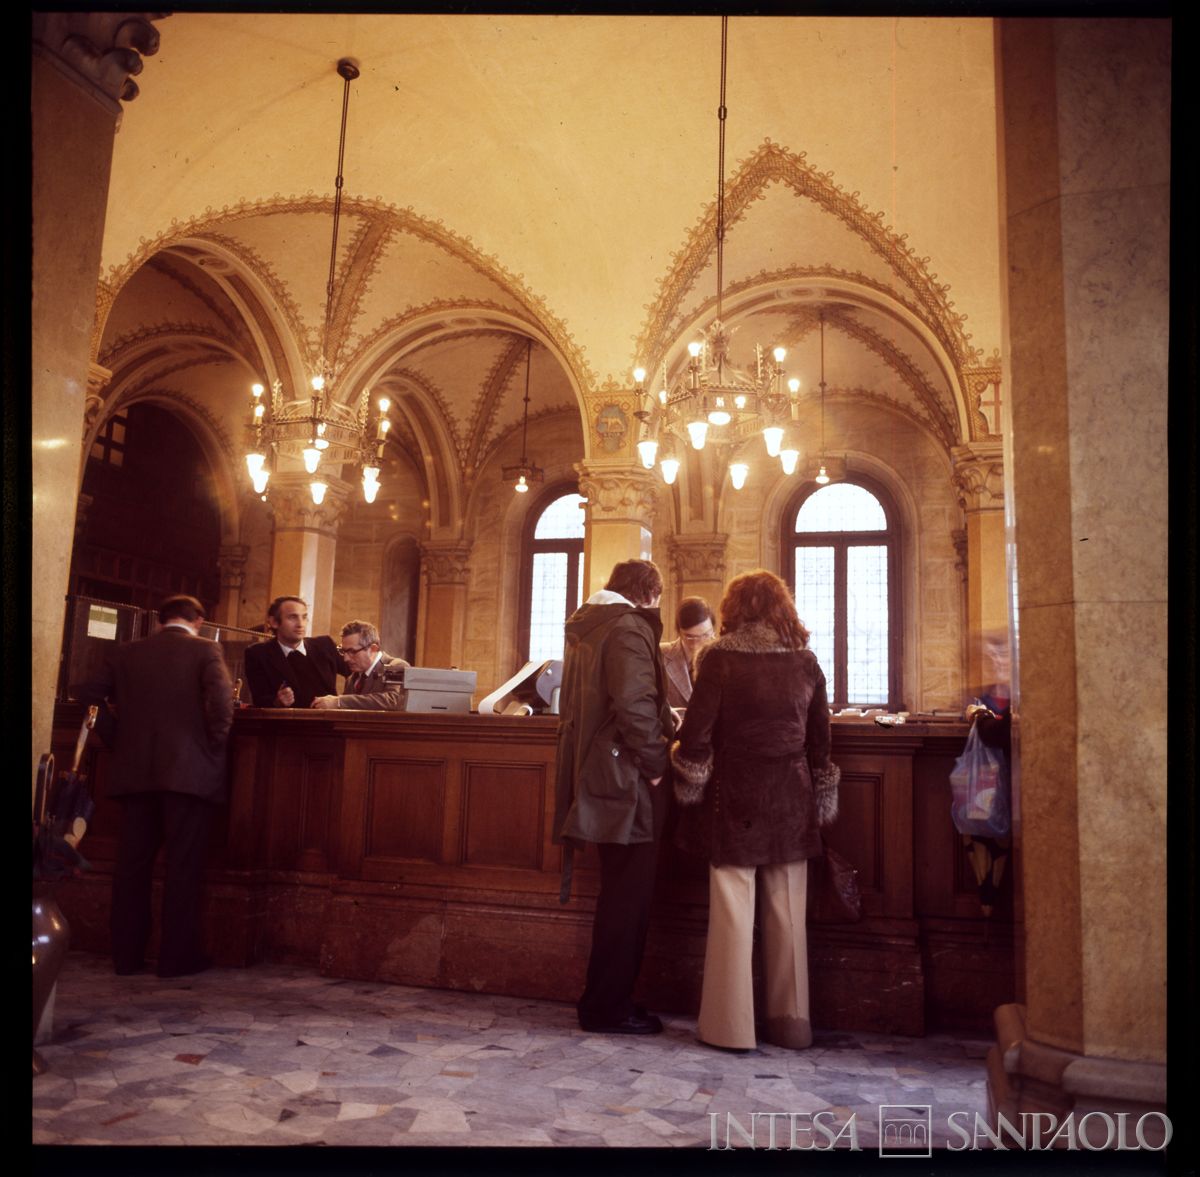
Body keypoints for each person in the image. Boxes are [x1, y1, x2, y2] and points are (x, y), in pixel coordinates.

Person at [671, 569, 840, 1052]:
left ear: (733, 610)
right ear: (781, 608)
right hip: (792, 794)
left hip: (736, 794)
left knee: (733, 912)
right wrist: (820, 788)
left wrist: (686, 773)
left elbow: (697, 736)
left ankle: (730, 1027)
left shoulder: (719, 658)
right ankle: (792, 1023)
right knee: (788, 913)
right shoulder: (805, 661)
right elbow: (820, 740)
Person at [553, 558, 674, 1035]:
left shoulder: (593, 625)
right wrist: (658, 764)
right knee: (628, 899)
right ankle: (607, 1008)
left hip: (603, 775)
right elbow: (634, 703)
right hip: (627, 783)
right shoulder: (627, 627)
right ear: (649, 593)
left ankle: (609, 1000)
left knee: (619, 896)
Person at [93, 594, 234, 977]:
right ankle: (175, 959)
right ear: (198, 620)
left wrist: (116, 740)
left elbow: (89, 696)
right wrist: (210, 749)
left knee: (131, 869)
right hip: (188, 776)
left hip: (134, 774)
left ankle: (126, 957)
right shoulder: (206, 650)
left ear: (161, 619)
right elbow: (222, 706)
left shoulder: (126, 651)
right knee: (182, 868)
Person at [243, 595, 341, 708]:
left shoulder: (325, 645)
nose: (300, 624)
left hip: (328, 722)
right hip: (286, 723)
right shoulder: (257, 654)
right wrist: (277, 702)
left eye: (304, 617)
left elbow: (357, 673)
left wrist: (341, 701)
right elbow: (259, 700)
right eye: (292, 617)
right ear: (274, 622)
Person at [312, 620, 411, 710]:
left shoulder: (397, 666)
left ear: (373, 649)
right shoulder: (352, 678)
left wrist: (339, 701)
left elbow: (393, 700)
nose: (346, 659)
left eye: (352, 651)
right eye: (343, 651)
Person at [660, 596, 715, 711]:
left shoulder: (724, 658)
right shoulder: (661, 654)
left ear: (713, 630)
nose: (696, 645)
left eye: (705, 635)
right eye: (689, 637)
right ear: (679, 631)